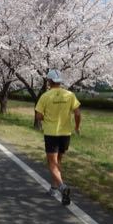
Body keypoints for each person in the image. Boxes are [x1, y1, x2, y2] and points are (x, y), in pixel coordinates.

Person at [34, 70, 81, 205]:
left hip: (51, 133)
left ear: (49, 82)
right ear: (60, 81)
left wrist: (47, 118)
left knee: (51, 163)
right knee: (58, 161)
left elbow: (38, 116)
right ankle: (53, 188)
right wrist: (77, 127)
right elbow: (77, 113)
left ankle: (62, 187)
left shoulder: (45, 96)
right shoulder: (70, 95)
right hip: (65, 133)